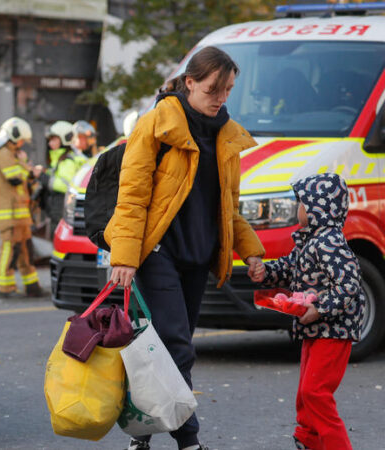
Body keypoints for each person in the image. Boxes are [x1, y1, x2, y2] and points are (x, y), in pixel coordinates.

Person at [104, 46, 265, 450]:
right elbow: (133, 197)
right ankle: (188, 441)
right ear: (189, 82)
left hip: (198, 257)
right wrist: (123, 257)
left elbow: (229, 205)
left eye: (227, 90)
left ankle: (140, 433)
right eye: (214, 89)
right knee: (178, 346)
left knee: (158, 350)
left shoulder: (226, 135)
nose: (221, 98)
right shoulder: (156, 125)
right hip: (159, 254)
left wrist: (252, 251)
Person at [250, 173, 362, 450]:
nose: (297, 208)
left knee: (316, 392)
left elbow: (349, 284)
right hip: (315, 327)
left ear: (316, 209)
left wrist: (320, 308)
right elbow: (287, 269)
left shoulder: (329, 242)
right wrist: (265, 272)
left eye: (300, 203)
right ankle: (308, 438)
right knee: (306, 392)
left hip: (334, 330)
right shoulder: (309, 241)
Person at [0, 116, 46, 298]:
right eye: (21, 140)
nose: (22, 143)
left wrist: (27, 169)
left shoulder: (14, 155)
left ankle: (32, 286)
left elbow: (26, 180)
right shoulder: (1, 153)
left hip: (20, 214)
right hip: (9, 215)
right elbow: (13, 177)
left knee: (25, 250)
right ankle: (5, 288)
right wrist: (29, 169)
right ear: (13, 135)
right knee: (9, 250)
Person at [39, 120, 85, 228]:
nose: (50, 143)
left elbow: (65, 185)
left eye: (54, 139)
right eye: (49, 140)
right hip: (57, 211)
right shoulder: (60, 159)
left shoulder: (68, 161)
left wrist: (43, 177)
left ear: (65, 138)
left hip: (62, 212)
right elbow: (58, 177)